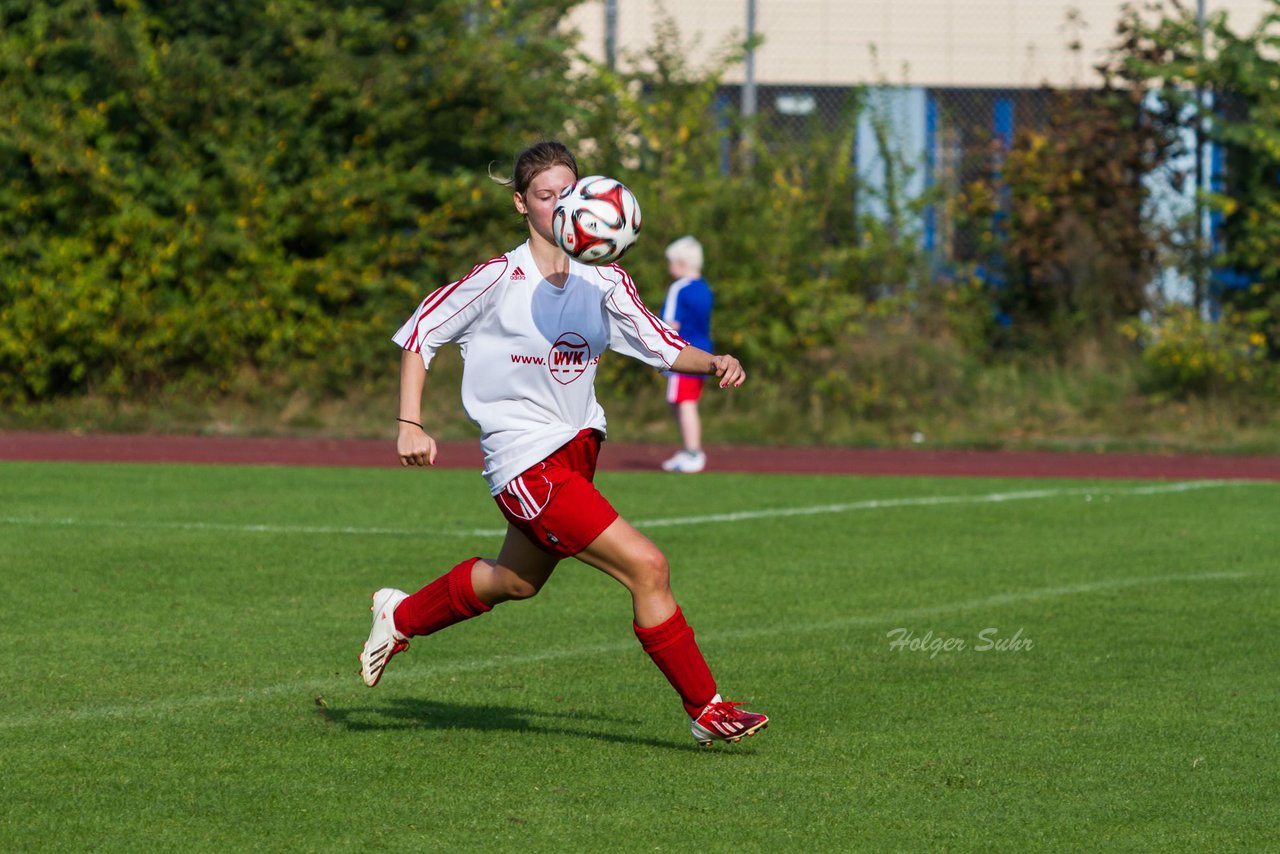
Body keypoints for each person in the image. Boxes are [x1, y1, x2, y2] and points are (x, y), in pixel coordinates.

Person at [359, 140, 769, 746]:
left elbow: (659, 342)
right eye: (545, 197)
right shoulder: (499, 278)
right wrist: (409, 423)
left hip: (577, 453)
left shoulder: (604, 279)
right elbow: (422, 332)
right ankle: (706, 708)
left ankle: (400, 616)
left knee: (515, 582)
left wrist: (714, 362)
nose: (559, 207)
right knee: (648, 567)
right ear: (522, 204)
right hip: (526, 465)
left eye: (568, 195)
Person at [659, 236, 714, 474]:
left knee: (685, 403)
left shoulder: (679, 288)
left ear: (681, 262)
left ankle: (693, 451)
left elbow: (670, 324)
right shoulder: (705, 288)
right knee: (681, 401)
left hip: (683, 354)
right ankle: (689, 450)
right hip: (703, 351)